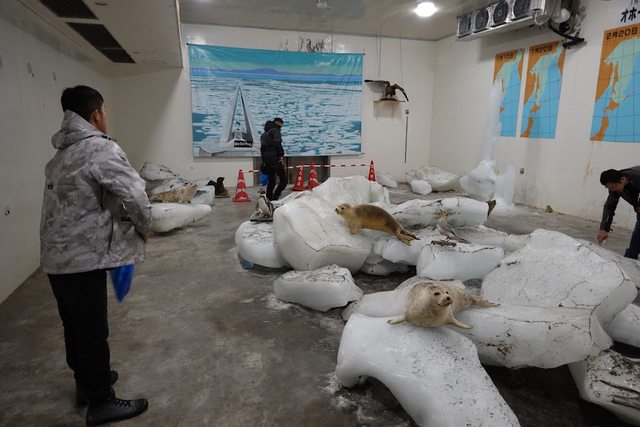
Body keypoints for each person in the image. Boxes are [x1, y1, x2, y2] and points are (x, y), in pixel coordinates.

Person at [40, 85, 151, 426]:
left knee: (74, 326)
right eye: (104, 111)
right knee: (92, 330)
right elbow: (135, 193)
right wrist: (145, 226)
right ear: (96, 114)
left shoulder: (60, 154)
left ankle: (86, 384)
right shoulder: (100, 149)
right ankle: (102, 402)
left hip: (56, 257)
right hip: (83, 256)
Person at [597, 167, 640, 258]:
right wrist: (604, 228)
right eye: (610, 188)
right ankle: (630, 257)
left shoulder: (637, 178)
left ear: (623, 180)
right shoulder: (616, 185)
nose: (613, 190)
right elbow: (610, 207)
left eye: (614, 187)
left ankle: (631, 255)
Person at [260, 117, 287, 200]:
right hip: (275, 158)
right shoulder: (275, 131)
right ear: (278, 124)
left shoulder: (264, 134)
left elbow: (262, 149)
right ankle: (275, 196)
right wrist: (281, 154)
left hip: (267, 160)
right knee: (284, 180)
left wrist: (264, 161)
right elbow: (277, 143)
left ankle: (269, 198)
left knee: (271, 181)